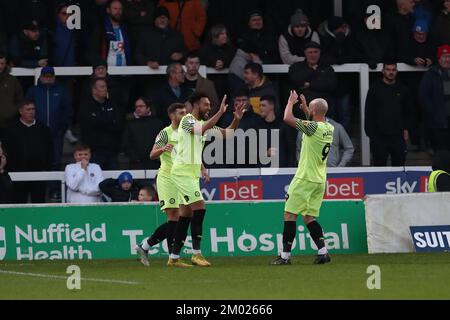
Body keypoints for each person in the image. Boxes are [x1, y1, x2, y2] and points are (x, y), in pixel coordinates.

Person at [168, 93, 245, 267]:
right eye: (206, 105)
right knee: (200, 207)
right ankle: (196, 254)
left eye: (210, 105)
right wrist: (220, 113)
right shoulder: (187, 120)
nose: (209, 108)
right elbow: (200, 130)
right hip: (181, 172)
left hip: (192, 174)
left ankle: (174, 257)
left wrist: (236, 119)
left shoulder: (202, 124)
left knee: (186, 214)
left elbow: (227, 134)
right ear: (195, 105)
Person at [272, 90, 334, 265]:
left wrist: (290, 102)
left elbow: (287, 118)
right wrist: (308, 110)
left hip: (305, 178)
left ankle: (285, 257)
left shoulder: (313, 128)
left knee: (289, 214)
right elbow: (314, 123)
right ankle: (323, 252)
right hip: (320, 180)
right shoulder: (329, 127)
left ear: (314, 112)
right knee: (309, 217)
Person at [135, 103, 188, 266]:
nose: (185, 115)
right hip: (167, 177)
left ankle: (145, 246)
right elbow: (152, 154)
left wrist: (202, 168)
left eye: (186, 112)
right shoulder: (165, 133)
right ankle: (173, 256)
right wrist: (163, 148)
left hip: (182, 178)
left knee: (180, 217)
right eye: (181, 113)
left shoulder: (187, 133)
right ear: (172, 115)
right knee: (174, 215)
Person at [2, 100, 52, 203]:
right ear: (21, 111)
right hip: (17, 174)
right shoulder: (11, 129)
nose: (31, 112)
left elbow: (50, 150)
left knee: (39, 203)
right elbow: (6, 150)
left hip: (39, 174)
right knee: (19, 203)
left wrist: (46, 168)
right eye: (28, 109)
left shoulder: (43, 129)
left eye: (33, 109)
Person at [365, 63, 412, 166]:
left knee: (399, 166)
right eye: (388, 69)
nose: (391, 72)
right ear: (383, 71)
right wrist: (371, 133)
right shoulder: (374, 89)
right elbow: (369, 112)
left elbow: (408, 111)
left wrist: (406, 128)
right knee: (379, 167)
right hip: (379, 136)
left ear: (397, 72)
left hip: (398, 136)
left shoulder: (403, 89)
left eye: (393, 70)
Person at [78, 78, 124, 170]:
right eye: (102, 87)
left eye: (106, 86)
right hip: (94, 151)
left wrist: (102, 122)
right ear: (94, 90)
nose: (105, 89)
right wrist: (108, 121)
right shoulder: (86, 106)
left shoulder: (112, 104)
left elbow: (118, 123)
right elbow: (91, 123)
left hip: (112, 150)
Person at [419, 44, 450, 152]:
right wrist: (434, 113)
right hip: (438, 124)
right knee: (441, 155)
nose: (447, 59)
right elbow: (423, 97)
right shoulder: (431, 74)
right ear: (439, 58)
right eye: (444, 56)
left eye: (449, 56)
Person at [122, 97, 164, 169]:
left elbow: (163, 142)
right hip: (136, 164)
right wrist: (135, 158)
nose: (138, 109)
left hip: (154, 164)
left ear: (148, 108)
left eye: (141, 106)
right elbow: (126, 144)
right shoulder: (131, 124)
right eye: (136, 107)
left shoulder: (157, 123)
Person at [0, 53, 23, 141]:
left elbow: (19, 99)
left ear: (5, 64)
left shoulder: (12, 80)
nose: (0, 66)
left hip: (8, 124)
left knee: (8, 151)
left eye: (2, 63)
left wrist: (11, 112)